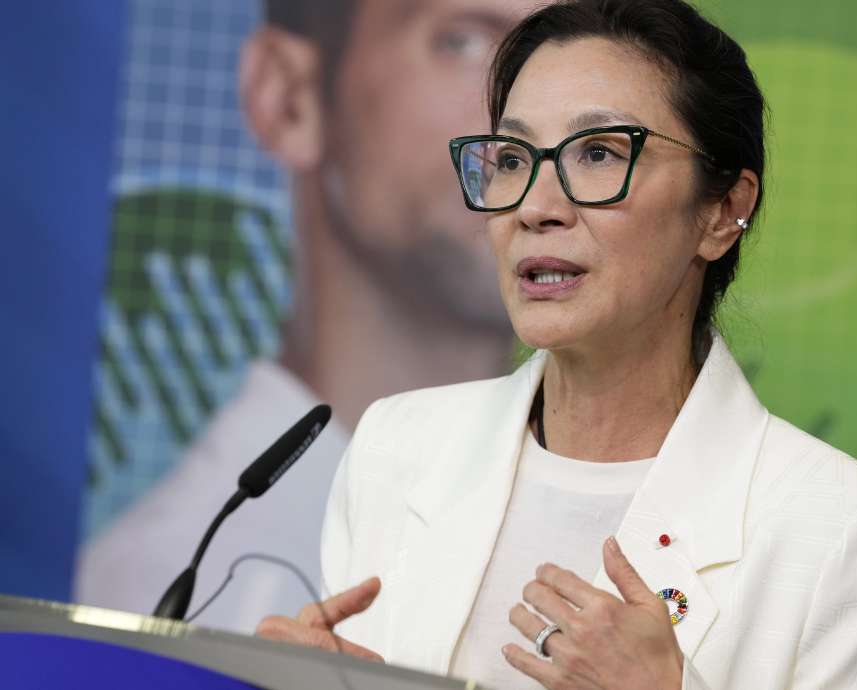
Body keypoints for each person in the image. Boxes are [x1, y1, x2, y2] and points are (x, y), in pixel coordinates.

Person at [257, 1, 857, 688]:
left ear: (723, 211)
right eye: (513, 158)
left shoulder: (843, 527)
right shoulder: (397, 448)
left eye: (599, 153)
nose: (535, 207)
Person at [74, 0, 540, 633]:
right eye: (459, 43)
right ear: (288, 97)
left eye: (563, 50)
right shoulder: (177, 589)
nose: (532, 124)